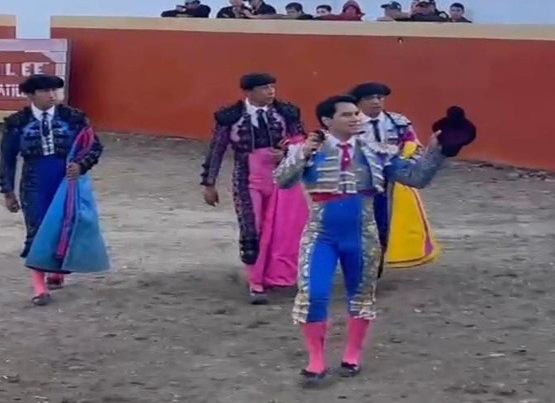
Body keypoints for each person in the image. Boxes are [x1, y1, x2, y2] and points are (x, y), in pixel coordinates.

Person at [274, 96, 475, 385]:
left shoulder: (376, 150)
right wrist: (303, 153)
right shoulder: (308, 149)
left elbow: (416, 177)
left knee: (361, 296)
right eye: (347, 115)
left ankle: (352, 355)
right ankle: (316, 361)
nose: (356, 118)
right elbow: (281, 180)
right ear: (327, 121)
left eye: (357, 113)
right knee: (314, 295)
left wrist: (439, 149)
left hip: (362, 234)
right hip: (321, 236)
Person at [0, 75, 108, 306]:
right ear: (31, 95)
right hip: (34, 181)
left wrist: (81, 165)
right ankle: (39, 287)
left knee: (65, 225)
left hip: (66, 179)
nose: (52, 95)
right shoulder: (16, 122)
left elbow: (94, 146)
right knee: (37, 228)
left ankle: (56, 271)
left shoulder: (74, 118)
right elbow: (7, 159)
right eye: (45, 91)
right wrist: (8, 191)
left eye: (55, 90)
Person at [200, 73, 310, 304]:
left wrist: (288, 152)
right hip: (247, 178)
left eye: (272, 86)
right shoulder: (230, 117)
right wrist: (209, 183)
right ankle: (255, 281)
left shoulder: (287, 112)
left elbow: (304, 141)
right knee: (252, 228)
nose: (271, 91)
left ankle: (275, 275)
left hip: (283, 177)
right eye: (264, 88)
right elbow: (217, 149)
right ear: (249, 92)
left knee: (282, 228)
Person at [349, 83, 440, 275]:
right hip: (356, 181)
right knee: (357, 226)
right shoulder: (348, 122)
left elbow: (413, 147)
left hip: (388, 179)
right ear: (358, 103)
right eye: (369, 98)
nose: (376, 102)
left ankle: (374, 268)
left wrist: (406, 162)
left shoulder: (398, 122)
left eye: (379, 98)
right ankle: (360, 266)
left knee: (382, 225)